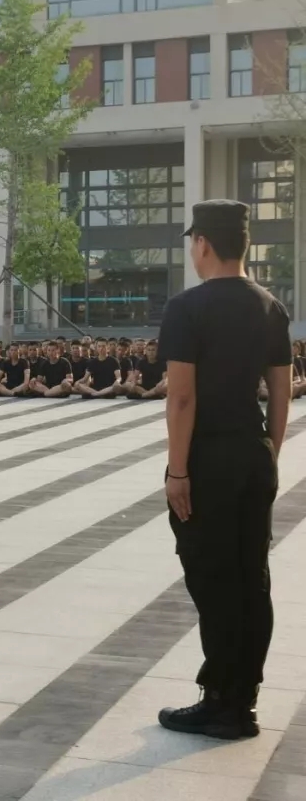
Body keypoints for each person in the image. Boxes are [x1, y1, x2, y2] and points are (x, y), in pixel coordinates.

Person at [157, 199, 291, 740]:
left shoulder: (187, 308)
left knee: (213, 578)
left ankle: (221, 703)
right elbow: (281, 390)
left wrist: (177, 471)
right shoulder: (270, 306)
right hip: (254, 454)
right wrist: (270, 450)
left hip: (207, 459)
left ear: (202, 243)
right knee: (251, 578)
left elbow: (181, 398)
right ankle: (243, 698)